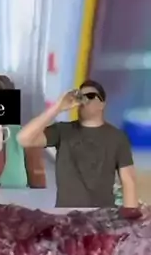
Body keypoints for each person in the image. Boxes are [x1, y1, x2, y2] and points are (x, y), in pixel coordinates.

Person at [17, 79, 138, 209]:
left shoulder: (117, 137)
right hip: (67, 214)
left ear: (102, 104)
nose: (84, 100)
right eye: (80, 96)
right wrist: (58, 107)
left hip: (102, 214)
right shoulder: (62, 130)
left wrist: (130, 214)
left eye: (90, 96)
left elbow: (128, 180)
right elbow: (23, 139)